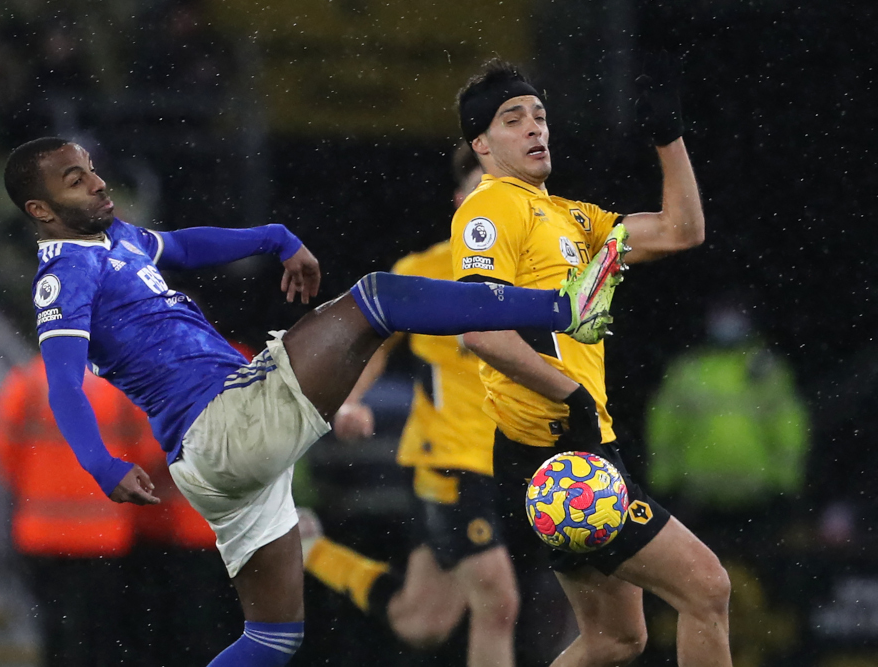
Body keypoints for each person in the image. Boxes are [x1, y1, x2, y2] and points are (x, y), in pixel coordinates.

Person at [2, 136, 625, 666]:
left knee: (272, 638)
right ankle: (565, 307)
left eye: (91, 169)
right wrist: (102, 464)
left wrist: (273, 236)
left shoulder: (118, 240)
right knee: (376, 299)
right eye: (74, 179)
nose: (97, 183)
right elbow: (61, 381)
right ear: (42, 209)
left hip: (216, 463)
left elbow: (186, 247)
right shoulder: (63, 275)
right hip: (225, 423)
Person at [449, 56, 732, 667]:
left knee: (617, 639)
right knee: (708, 588)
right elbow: (480, 330)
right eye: (513, 119)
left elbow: (683, 230)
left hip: (582, 446)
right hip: (555, 455)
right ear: (482, 145)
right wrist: (571, 396)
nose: (534, 128)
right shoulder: (490, 207)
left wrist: (669, 139)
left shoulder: (575, 219)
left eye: (540, 116)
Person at [303, 142, 525, 666]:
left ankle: (308, 549)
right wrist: (350, 402)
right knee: (500, 601)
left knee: (423, 621)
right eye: (479, 193)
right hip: (446, 456)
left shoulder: (533, 270)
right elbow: (375, 348)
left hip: (507, 459)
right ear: (460, 203)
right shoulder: (424, 271)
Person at [0, 354, 155, 667]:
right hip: (104, 534)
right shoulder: (121, 383)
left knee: (54, 631)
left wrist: (33, 488)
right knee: (99, 634)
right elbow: (147, 448)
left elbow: (2, 444)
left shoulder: (29, 381)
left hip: (42, 531)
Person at [646, 295, 810, 555]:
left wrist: (787, 480)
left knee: (755, 574)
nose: (727, 321)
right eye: (722, 312)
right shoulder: (689, 369)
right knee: (700, 570)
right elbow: (665, 426)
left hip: (757, 494)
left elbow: (788, 424)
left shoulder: (765, 368)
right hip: (698, 496)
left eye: (735, 311)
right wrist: (663, 479)